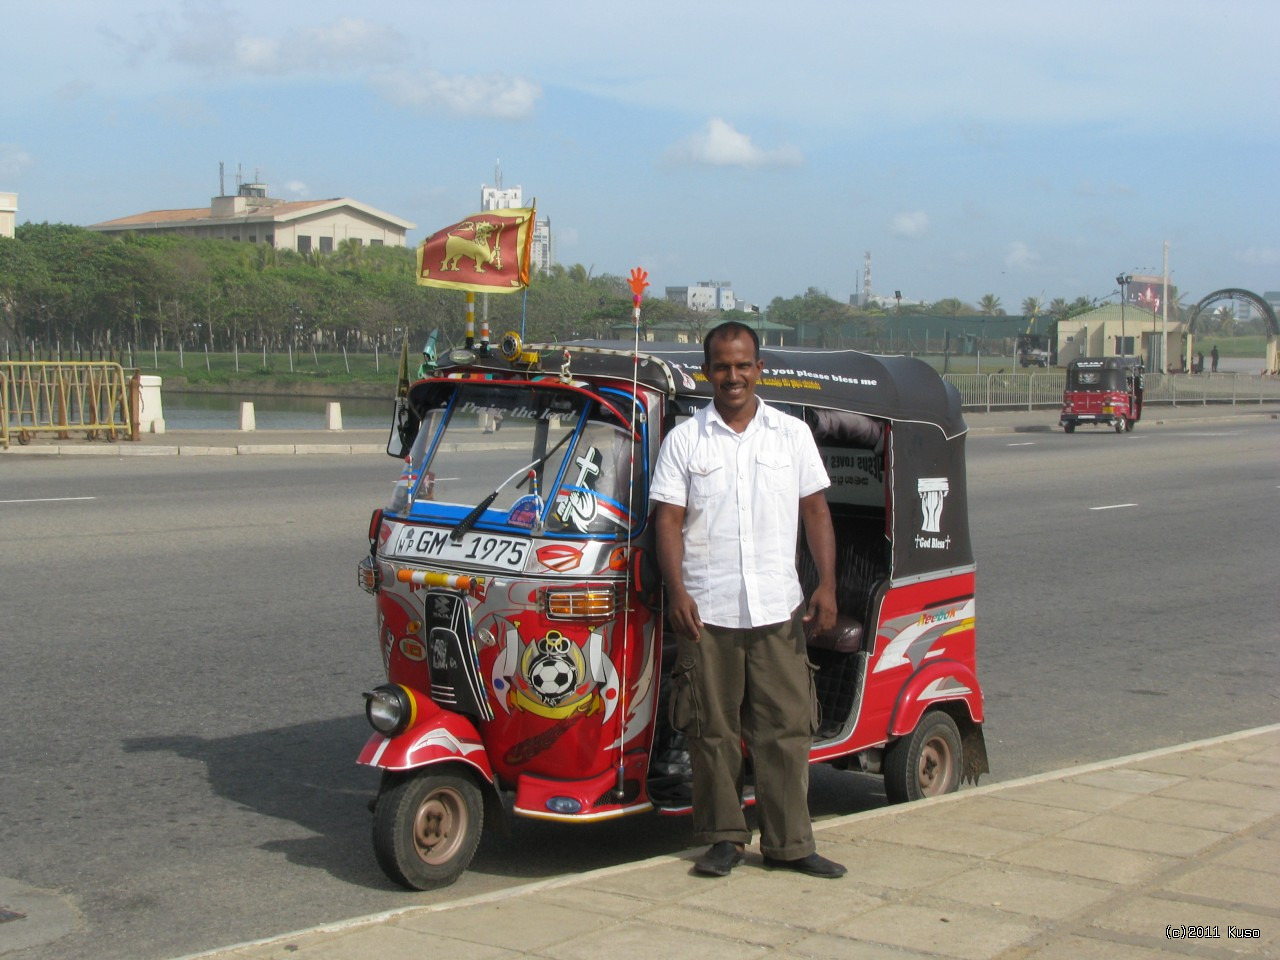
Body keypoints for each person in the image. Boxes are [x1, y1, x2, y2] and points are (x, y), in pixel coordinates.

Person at [650, 321, 846, 880]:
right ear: (706, 371)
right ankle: (724, 839)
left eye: (742, 365)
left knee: (785, 728)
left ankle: (790, 844)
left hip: (776, 610)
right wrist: (677, 590)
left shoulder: (791, 435)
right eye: (721, 366)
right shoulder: (685, 440)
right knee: (711, 729)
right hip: (706, 611)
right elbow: (668, 520)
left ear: (758, 369)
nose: (732, 376)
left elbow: (816, 512)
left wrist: (826, 585)